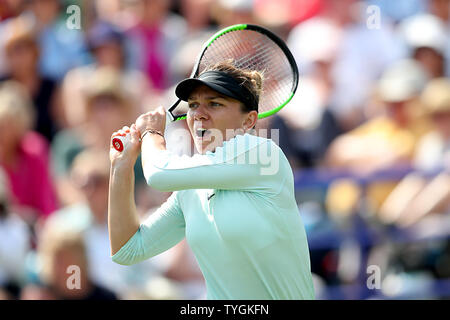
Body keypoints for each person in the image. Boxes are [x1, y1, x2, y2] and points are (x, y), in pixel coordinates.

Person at [108, 61, 315, 299]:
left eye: (214, 104)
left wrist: (151, 133)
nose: (198, 114)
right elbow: (127, 250)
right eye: (193, 105)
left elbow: (158, 174)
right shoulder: (191, 190)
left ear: (249, 121)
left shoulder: (263, 155)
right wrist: (120, 167)